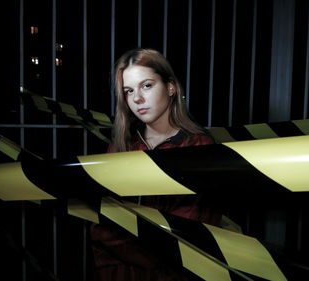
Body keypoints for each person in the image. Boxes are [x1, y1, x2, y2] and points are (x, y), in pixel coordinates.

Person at [91, 48, 220, 281]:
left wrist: (127, 238)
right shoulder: (121, 147)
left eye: (147, 85)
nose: (137, 98)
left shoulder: (199, 146)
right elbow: (102, 228)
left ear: (170, 87)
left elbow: (188, 236)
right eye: (129, 91)